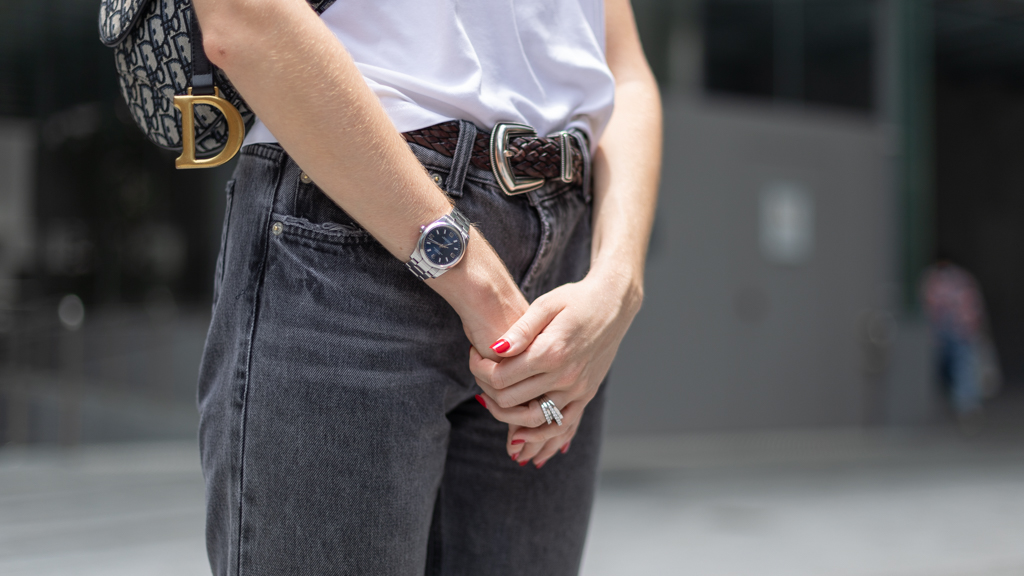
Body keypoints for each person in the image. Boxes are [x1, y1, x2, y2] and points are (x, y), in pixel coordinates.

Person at [192, 0, 661, 574]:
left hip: (564, 274)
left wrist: (618, 284)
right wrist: (479, 283)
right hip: (354, 229)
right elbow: (244, 16)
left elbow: (626, 69)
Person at [921, 259, 1000, 421]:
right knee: (952, 370)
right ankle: (960, 406)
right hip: (951, 332)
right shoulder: (945, 279)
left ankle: (966, 407)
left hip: (957, 332)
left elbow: (969, 306)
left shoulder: (947, 279)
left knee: (963, 369)